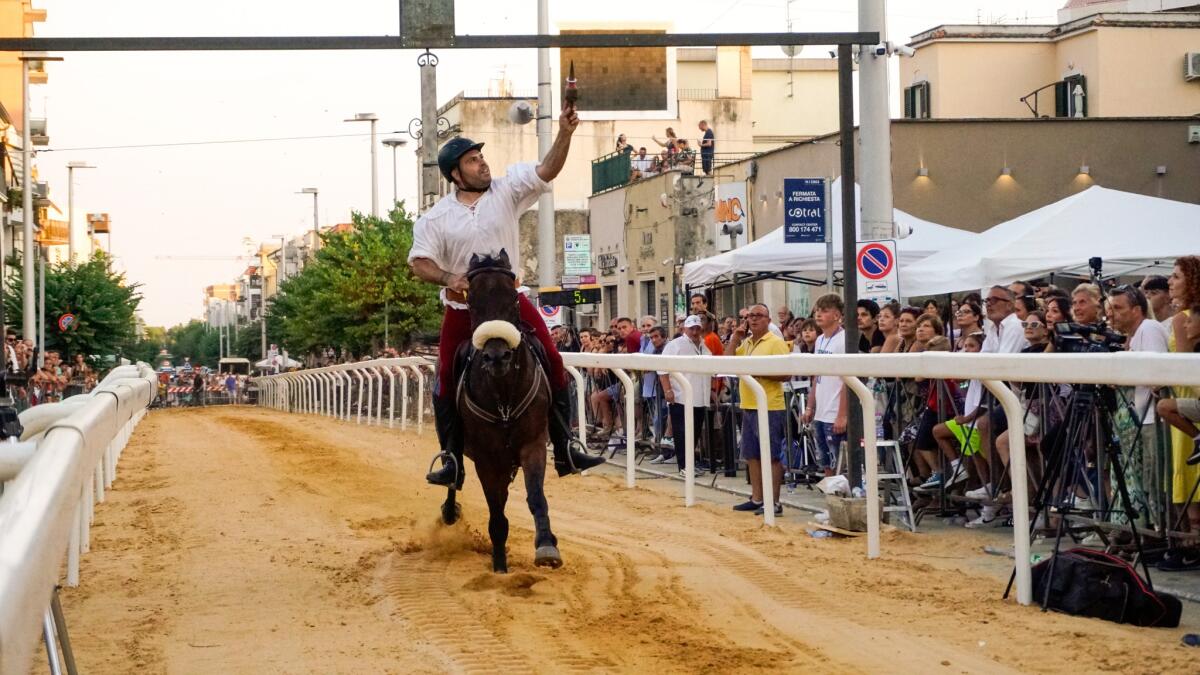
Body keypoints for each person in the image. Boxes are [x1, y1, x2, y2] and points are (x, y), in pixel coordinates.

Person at [408, 102, 604, 488]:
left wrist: (565, 133)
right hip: (463, 311)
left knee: (551, 358)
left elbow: (547, 169)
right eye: (472, 160)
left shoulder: (507, 189)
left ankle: (565, 445)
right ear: (455, 174)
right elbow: (419, 263)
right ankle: (452, 460)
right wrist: (450, 276)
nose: (483, 164)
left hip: (510, 305)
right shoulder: (434, 218)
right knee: (447, 377)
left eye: (481, 157)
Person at [726, 304, 790, 515]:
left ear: (767, 319)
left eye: (758, 316)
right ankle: (757, 498)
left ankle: (774, 502)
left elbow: (786, 374)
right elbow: (725, 362)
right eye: (749, 316)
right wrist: (735, 337)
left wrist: (759, 373)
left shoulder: (775, 342)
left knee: (771, 455)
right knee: (751, 454)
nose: (753, 319)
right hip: (749, 404)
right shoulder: (747, 343)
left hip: (770, 405)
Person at [658, 316, 712, 477]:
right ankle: (683, 466)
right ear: (684, 329)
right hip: (681, 396)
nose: (695, 332)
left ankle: (690, 463)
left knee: (694, 432)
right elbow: (662, 369)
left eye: (697, 328)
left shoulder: (703, 345)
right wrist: (668, 390)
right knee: (682, 433)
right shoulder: (675, 345)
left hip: (700, 397)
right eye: (691, 329)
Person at [804, 294, 848, 477]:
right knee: (825, 461)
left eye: (824, 311)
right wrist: (809, 406)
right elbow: (817, 376)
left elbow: (848, 380)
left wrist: (842, 415)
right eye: (817, 311)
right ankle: (832, 498)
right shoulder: (820, 340)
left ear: (837, 315)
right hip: (821, 411)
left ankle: (844, 497)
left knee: (839, 461)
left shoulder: (844, 340)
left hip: (835, 410)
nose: (819, 314)